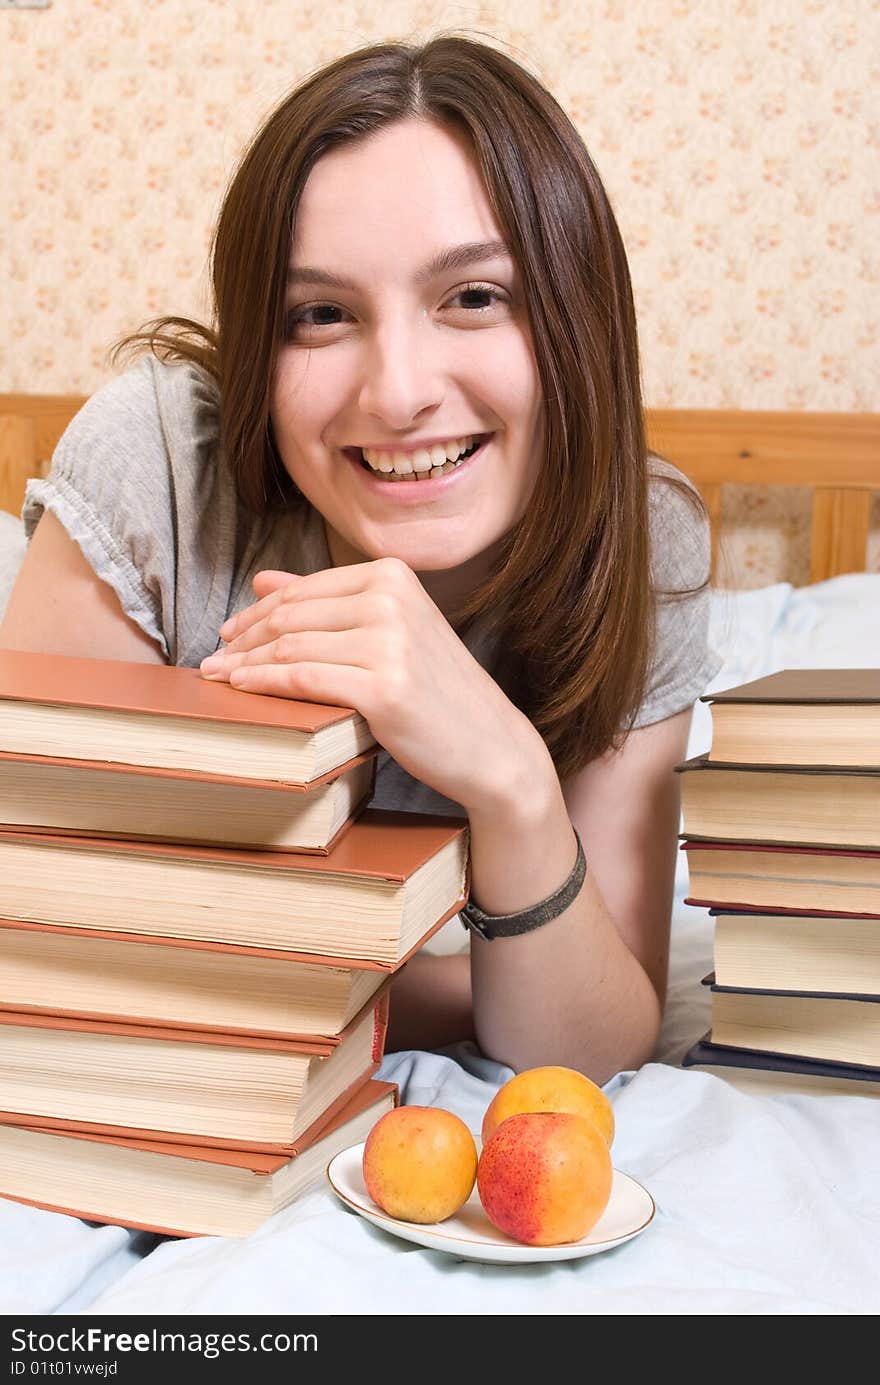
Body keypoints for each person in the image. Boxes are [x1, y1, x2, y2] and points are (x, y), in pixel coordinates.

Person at [0, 35, 720, 1084]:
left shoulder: (644, 541)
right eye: (321, 315)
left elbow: (594, 1037)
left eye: (473, 296)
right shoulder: (158, 459)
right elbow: (43, 928)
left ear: (575, 323)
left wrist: (511, 779)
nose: (396, 393)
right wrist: (458, 983)